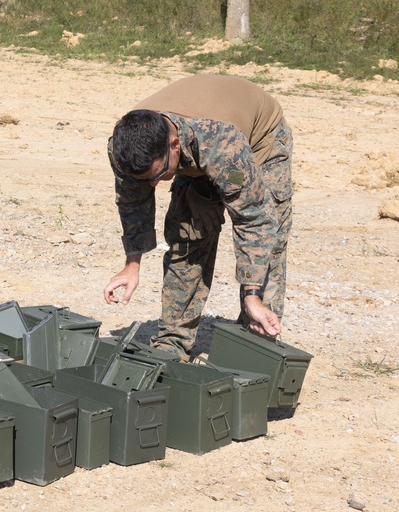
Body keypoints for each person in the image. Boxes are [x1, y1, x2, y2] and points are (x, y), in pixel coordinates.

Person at [102, 74, 292, 360]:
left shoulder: (223, 143)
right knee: (187, 235)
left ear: (174, 144)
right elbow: (132, 202)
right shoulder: (125, 148)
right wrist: (132, 264)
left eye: (158, 176)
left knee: (270, 232)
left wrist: (252, 293)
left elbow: (254, 219)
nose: (154, 185)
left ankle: (256, 337)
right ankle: (172, 341)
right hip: (197, 150)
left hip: (259, 139)